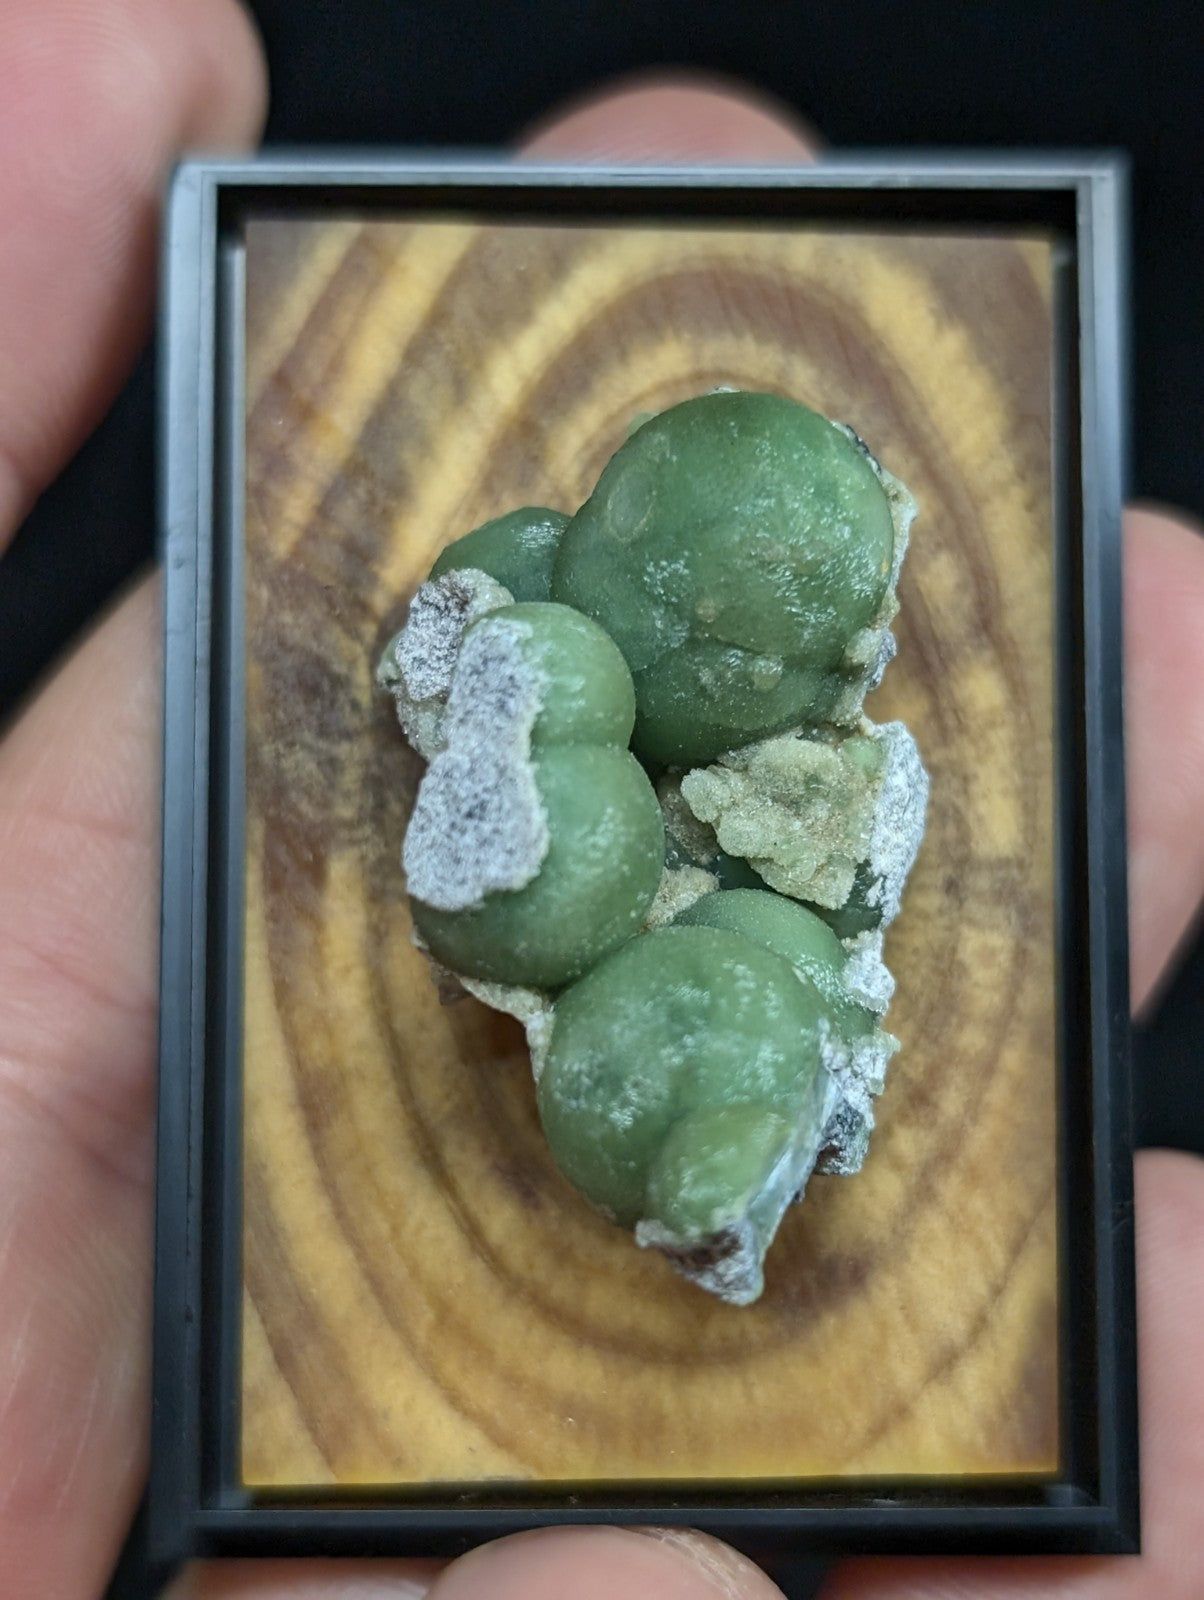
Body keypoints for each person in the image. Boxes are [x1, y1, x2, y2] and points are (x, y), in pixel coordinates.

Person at [0, 4, 1200, 1598]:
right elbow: (486, 616)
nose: (820, 652)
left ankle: (735, 1130)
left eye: (829, 633)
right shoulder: (541, 596)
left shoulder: (771, 796)